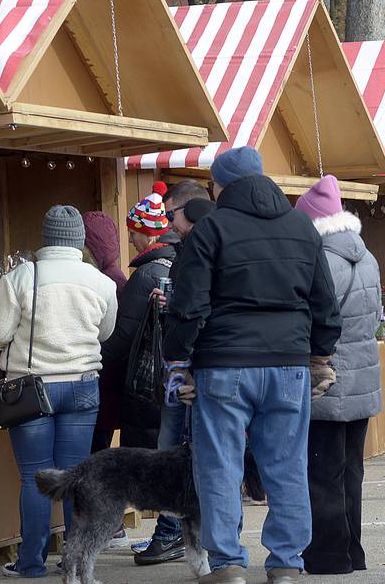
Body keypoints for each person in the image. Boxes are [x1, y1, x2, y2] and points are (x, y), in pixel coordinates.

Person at [163, 146, 342, 584]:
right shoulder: (302, 226)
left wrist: (179, 356)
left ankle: (227, 564)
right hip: (288, 365)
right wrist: (318, 352)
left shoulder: (212, 229)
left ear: (219, 186)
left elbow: (188, 305)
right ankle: (285, 562)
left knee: (220, 464)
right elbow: (325, 304)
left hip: (224, 363)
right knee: (286, 465)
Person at [0, 205, 118, 578]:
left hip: (31, 389)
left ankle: (31, 562)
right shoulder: (100, 281)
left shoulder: (22, 277)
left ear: (46, 238)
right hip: (82, 387)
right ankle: (75, 562)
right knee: (75, 476)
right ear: (78, 240)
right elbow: (104, 333)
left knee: (35, 478)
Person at [294, 176, 383, 574]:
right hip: (363, 379)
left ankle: (328, 556)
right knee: (351, 471)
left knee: (322, 472)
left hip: (328, 380)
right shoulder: (368, 258)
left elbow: (315, 323)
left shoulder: (321, 261)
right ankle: (353, 551)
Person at [136, 185, 214, 567]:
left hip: (192, 367)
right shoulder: (186, 252)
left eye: (171, 215)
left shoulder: (202, 251)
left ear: (190, 211)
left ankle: (174, 533)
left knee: (179, 449)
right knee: (178, 448)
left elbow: (200, 311)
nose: (168, 223)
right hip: (187, 366)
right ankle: (178, 533)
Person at [101, 183, 177, 451]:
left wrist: (93, 360)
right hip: (171, 378)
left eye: (133, 233)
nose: (131, 240)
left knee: (143, 464)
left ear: (148, 235)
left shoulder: (145, 275)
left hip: (146, 385)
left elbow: (124, 336)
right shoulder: (177, 262)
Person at [82, 210, 126, 454]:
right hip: (108, 384)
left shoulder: (106, 282)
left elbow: (108, 334)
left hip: (101, 382)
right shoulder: (115, 277)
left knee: (93, 455)